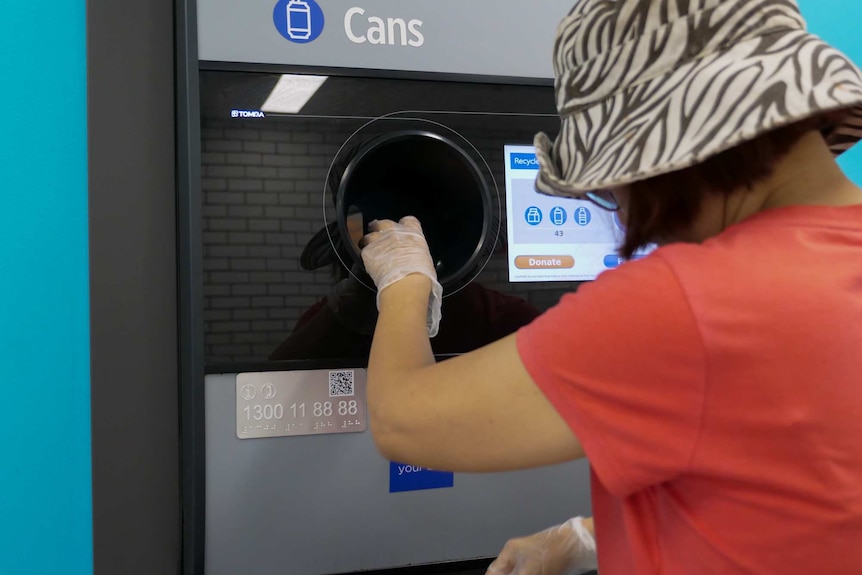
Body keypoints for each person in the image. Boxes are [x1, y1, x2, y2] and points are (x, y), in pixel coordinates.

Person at [358, 0, 862, 573]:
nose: (621, 213)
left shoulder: (690, 304)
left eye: (609, 186)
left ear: (666, 154)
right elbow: (798, 482)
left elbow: (402, 418)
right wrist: (595, 535)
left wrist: (405, 278)